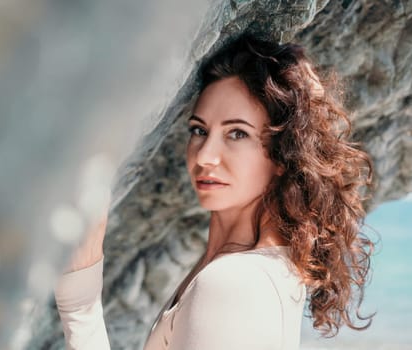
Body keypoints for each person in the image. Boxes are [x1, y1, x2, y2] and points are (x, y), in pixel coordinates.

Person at [54, 32, 375, 350]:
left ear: (284, 153)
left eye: (237, 133)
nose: (204, 156)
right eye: (199, 130)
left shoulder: (233, 284)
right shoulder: (245, 267)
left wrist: (81, 308)